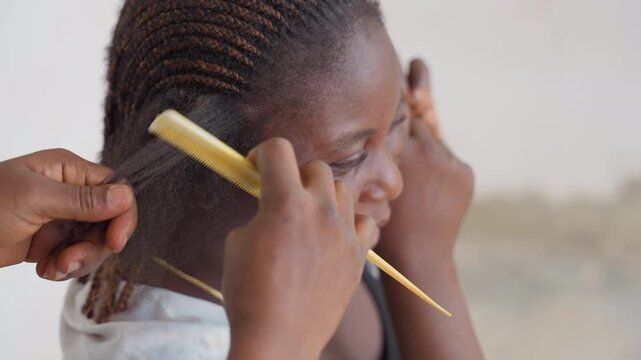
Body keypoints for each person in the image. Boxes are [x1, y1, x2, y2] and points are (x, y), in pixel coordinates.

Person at [60, 1, 483, 359]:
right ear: (209, 165)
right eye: (349, 158)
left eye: (396, 122)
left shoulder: (317, 235)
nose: (394, 180)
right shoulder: (169, 347)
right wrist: (427, 262)